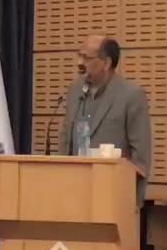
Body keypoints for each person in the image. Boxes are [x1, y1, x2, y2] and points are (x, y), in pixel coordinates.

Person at [57, 35, 152, 203]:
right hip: (73, 193)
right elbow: (65, 142)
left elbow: (140, 157)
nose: (79, 62)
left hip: (112, 196)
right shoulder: (74, 91)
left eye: (87, 58)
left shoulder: (131, 95)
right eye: (79, 55)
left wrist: (133, 204)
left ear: (106, 63)